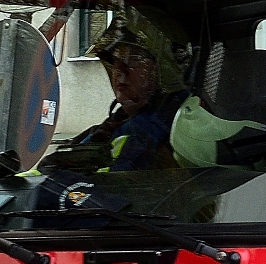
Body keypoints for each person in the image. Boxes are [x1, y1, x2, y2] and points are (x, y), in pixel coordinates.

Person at [46, 15, 191, 172]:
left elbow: (102, 181)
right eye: (115, 60)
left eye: (134, 60)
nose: (120, 70)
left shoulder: (147, 132)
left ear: (162, 69)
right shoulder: (115, 123)